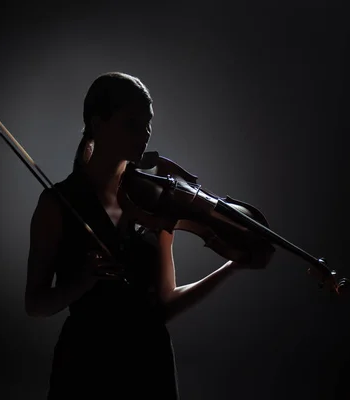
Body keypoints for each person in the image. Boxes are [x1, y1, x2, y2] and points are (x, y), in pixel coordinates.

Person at [24, 72, 275, 399]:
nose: (144, 134)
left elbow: (165, 304)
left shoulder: (155, 202)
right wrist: (81, 282)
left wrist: (232, 266)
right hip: (85, 366)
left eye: (148, 124)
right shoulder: (57, 205)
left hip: (150, 367)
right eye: (132, 123)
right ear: (98, 124)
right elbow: (35, 304)